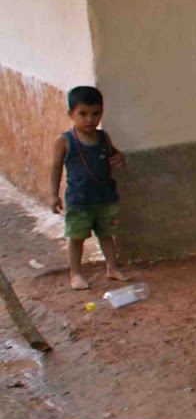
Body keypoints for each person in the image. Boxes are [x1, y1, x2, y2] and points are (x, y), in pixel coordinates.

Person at [48, 85, 129, 291]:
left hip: (105, 198)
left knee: (107, 235)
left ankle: (112, 268)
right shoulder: (65, 141)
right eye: (82, 114)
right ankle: (75, 273)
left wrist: (120, 157)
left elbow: (114, 154)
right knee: (77, 238)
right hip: (79, 201)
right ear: (71, 114)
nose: (90, 119)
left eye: (95, 114)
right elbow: (56, 167)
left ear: (101, 113)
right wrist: (53, 195)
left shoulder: (104, 138)